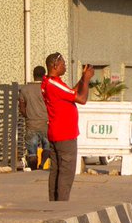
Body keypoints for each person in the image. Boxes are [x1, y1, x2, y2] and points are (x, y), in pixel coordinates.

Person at [40, 53, 94, 202]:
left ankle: (54, 203)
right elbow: (81, 99)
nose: (65, 66)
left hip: (56, 133)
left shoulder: (49, 82)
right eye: (63, 64)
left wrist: (83, 78)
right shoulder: (54, 84)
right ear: (55, 66)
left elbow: (71, 93)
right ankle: (61, 205)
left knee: (56, 171)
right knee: (66, 172)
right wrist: (87, 80)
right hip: (65, 134)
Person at [18, 66, 50, 170]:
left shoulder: (25, 89)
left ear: (33, 75)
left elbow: (22, 109)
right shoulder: (47, 88)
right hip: (46, 123)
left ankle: (34, 168)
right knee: (47, 146)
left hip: (31, 124)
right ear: (44, 75)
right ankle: (42, 164)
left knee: (32, 152)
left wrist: (29, 116)